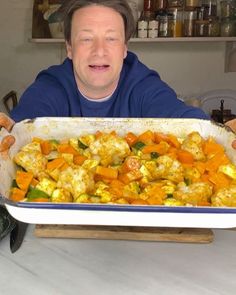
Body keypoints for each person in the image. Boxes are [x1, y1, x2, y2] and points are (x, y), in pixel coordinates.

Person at [0, 0, 236, 151]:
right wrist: (6, 131)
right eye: (86, 38)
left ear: (124, 48)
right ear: (69, 48)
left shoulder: (143, 86)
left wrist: (221, 135)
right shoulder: (52, 86)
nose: (99, 50)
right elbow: (19, 127)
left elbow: (181, 117)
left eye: (111, 38)